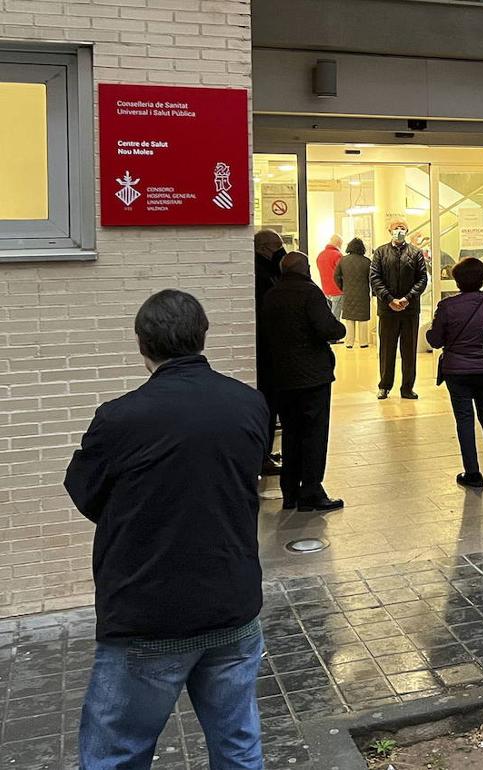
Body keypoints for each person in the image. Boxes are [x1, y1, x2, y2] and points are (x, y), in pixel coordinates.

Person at [64, 290, 268, 770]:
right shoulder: (249, 404)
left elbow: (86, 494)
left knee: (116, 754)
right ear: (203, 336)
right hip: (232, 605)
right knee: (238, 747)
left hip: (148, 614)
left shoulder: (118, 418)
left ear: (142, 344)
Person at [261, 252, 347, 512]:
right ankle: (311, 490)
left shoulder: (271, 295)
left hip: (282, 377)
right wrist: (340, 329)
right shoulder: (310, 293)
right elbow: (328, 329)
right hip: (312, 377)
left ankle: (289, 492)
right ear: (305, 269)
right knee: (314, 434)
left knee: (291, 433)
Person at [428, 257, 483, 489]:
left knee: (464, 420)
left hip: (457, 372)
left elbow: (435, 341)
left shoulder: (447, 307)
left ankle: (473, 472)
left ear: (456, 281)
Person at [370, 218, 428, 400]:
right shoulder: (380, 253)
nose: (399, 230)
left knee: (409, 350)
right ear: (389, 230)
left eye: (402, 228)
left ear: (407, 230)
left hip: (410, 309)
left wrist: (407, 298)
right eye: (396, 228)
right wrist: (389, 299)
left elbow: (422, 279)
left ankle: (407, 387)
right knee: (387, 349)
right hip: (387, 309)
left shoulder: (416, 253)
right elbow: (375, 278)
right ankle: (384, 386)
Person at [253, 229, 285, 476]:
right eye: (277, 246)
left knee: (271, 403)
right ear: (264, 247)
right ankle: (262, 456)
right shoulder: (261, 274)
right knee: (267, 401)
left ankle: (265, 451)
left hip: (270, 348)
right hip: (266, 349)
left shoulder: (269, 271)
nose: (281, 251)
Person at [334, 237, 372, 349]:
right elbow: (372, 278)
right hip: (363, 294)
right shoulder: (367, 261)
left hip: (348, 292)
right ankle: (363, 342)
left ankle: (349, 342)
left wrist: (342, 287)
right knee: (363, 318)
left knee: (349, 319)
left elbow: (336, 276)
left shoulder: (343, 260)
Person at [317, 234, 345, 327]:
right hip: (337, 289)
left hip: (326, 289)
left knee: (329, 314)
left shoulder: (320, 255)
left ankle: (329, 333)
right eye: (341, 244)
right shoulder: (337, 255)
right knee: (335, 314)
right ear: (338, 243)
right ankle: (334, 336)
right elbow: (342, 272)